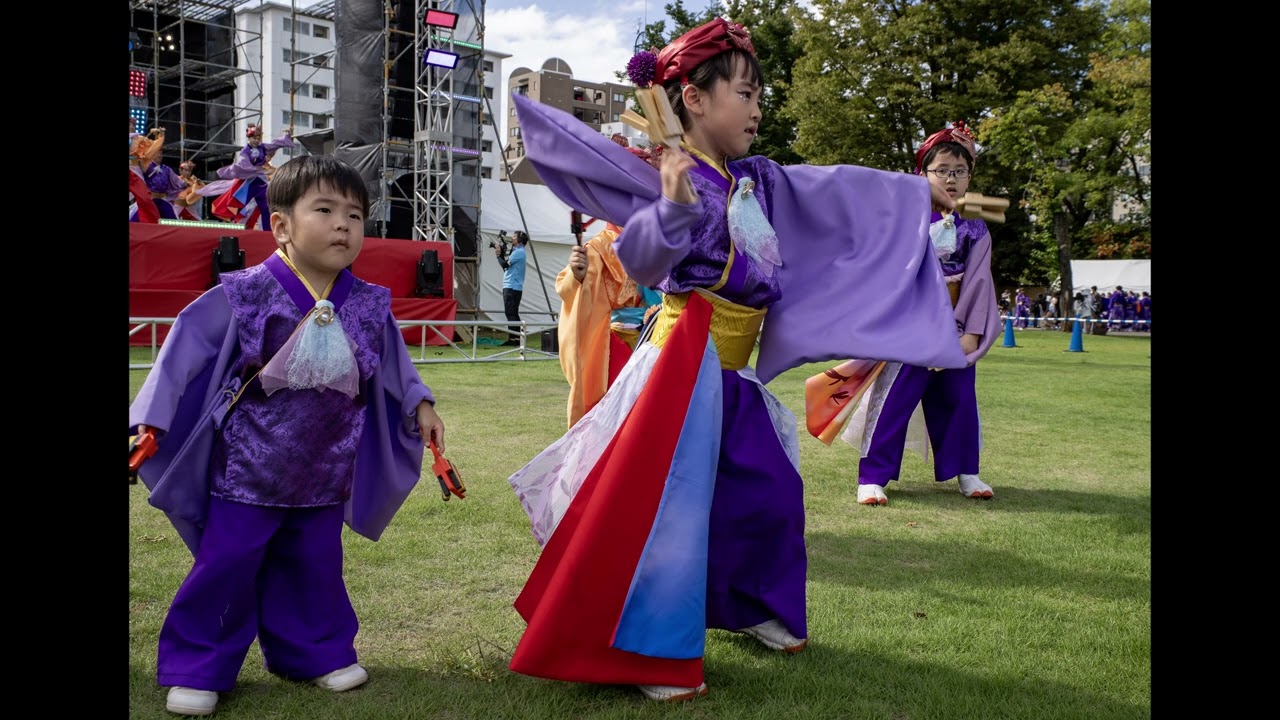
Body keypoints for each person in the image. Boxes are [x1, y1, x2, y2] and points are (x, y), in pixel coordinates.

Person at [503, 17, 967, 703]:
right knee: (668, 511)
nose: (756, 108)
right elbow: (640, 260)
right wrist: (667, 206)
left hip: (732, 371)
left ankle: (751, 605)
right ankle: (647, 652)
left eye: (758, 95)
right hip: (681, 364)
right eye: (744, 94)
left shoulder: (754, 179)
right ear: (694, 98)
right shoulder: (672, 173)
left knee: (767, 490)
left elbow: (832, 187)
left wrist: (910, 193)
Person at [128, 155, 447, 716]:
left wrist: (420, 402)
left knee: (315, 567)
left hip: (327, 468)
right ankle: (199, 664)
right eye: (324, 210)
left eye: (355, 214)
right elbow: (184, 350)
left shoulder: (370, 303)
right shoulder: (246, 291)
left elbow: (395, 365)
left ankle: (316, 655)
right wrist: (149, 419)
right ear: (280, 225)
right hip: (247, 468)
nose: (343, 225)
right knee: (226, 564)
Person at [834, 121, 1001, 506]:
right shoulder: (904, 218)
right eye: (941, 170)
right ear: (921, 174)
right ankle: (872, 476)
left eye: (960, 171)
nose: (951, 179)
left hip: (955, 325)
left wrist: (969, 334)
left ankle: (967, 472)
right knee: (894, 399)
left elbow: (978, 284)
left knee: (958, 399)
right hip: (908, 326)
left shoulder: (974, 227)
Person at [556, 220, 664, 429]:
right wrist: (576, 275)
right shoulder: (599, 247)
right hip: (616, 346)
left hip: (655, 338)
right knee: (617, 419)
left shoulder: (652, 244)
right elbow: (568, 290)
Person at [210, 123, 295, 231]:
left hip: (260, 181)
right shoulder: (245, 151)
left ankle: (267, 231)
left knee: (266, 205)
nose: (256, 140)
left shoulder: (262, 147)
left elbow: (274, 145)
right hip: (249, 182)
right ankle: (239, 228)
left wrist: (286, 137)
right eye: (254, 138)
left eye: (258, 138)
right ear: (249, 138)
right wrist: (256, 169)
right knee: (244, 208)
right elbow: (243, 164)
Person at [496, 230, 528, 345]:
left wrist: (498, 254)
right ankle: (517, 339)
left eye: (515, 236)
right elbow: (506, 268)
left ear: (520, 240)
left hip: (511, 286)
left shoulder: (519, 252)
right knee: (513, 313)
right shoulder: (518, 252)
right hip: (514, 286)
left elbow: (504, 264)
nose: (512, 238)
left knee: (510, 313)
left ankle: (514, 339)